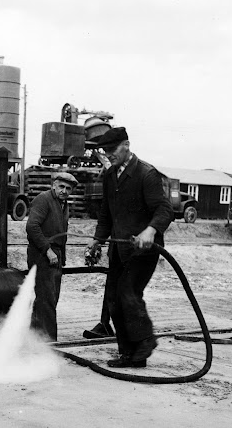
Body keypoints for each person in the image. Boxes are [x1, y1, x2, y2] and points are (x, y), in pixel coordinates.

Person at [86, 127, 174, 368]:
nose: (109, 155)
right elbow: (107, 212)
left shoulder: (147, 174)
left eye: (112, 150)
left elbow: (164, 209)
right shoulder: (110, 175)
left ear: (126, 145)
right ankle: (130, 355)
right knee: (113, 299)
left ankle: (145, 341)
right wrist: (98, 239)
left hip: (143, 250)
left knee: (128, 293)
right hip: (119, 248)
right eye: (105, 151)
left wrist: (151, 230)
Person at [26, 172, 79, 341]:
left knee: (50, 298)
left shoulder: (63, 204)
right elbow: (32, 227)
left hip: (55, 255)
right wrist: (48, 251)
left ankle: (35, 337)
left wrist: (61, 256)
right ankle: (48, 342)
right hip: (42, 254)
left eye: (68, 189)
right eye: (61, 186)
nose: (64, 191)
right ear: (53, 185)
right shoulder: (43, 199)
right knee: (47, 299)